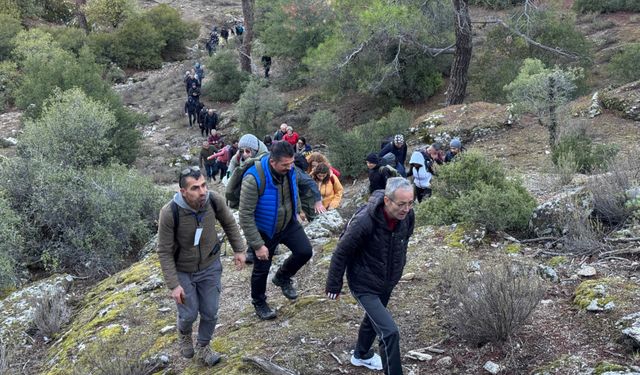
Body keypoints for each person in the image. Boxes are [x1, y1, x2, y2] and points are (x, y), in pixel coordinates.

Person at [157, 167, 246, 367]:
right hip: (183, 270)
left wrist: (239, 250)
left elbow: (229, 223)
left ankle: (204, 346)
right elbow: (163, 251)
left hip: (210, 265)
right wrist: (174, 285)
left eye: (204, 185)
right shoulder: (169, 212)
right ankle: (184, 333)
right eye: (195, 188)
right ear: (183, 192)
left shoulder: (214, 200)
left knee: (211, 311)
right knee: (189, 313)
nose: (202, 191)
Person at [325, 177, 415, 375]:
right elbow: (342, 251)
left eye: (410, 203)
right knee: (390, 332)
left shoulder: (407, 216)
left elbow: (403, 241)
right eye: (401, 204)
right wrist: (334, 284)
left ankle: (361, 354)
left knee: (373, 319)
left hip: (387, 280)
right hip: (363, 282)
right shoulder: (364, 220)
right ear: (387, 200)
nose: (406, 209)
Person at [239, 141, 313, 320]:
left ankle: (282, 276)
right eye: (285, 165)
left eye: (291, 163)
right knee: (261, 269)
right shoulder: (253, 178)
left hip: (287, 222)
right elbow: (245, 215)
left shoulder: (290, 170)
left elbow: (293, 190)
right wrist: (257, 245)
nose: (289, 167)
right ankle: (259, 302)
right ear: (273, 162)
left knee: (305, 251)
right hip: (265, 229)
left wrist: (299, 209)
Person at [293, 153, 326, 222]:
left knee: (315, 216)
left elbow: (312, 183)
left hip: (308, 197)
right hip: (303, 196)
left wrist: (318, 201)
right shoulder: (295, 170)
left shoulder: (297, 173)